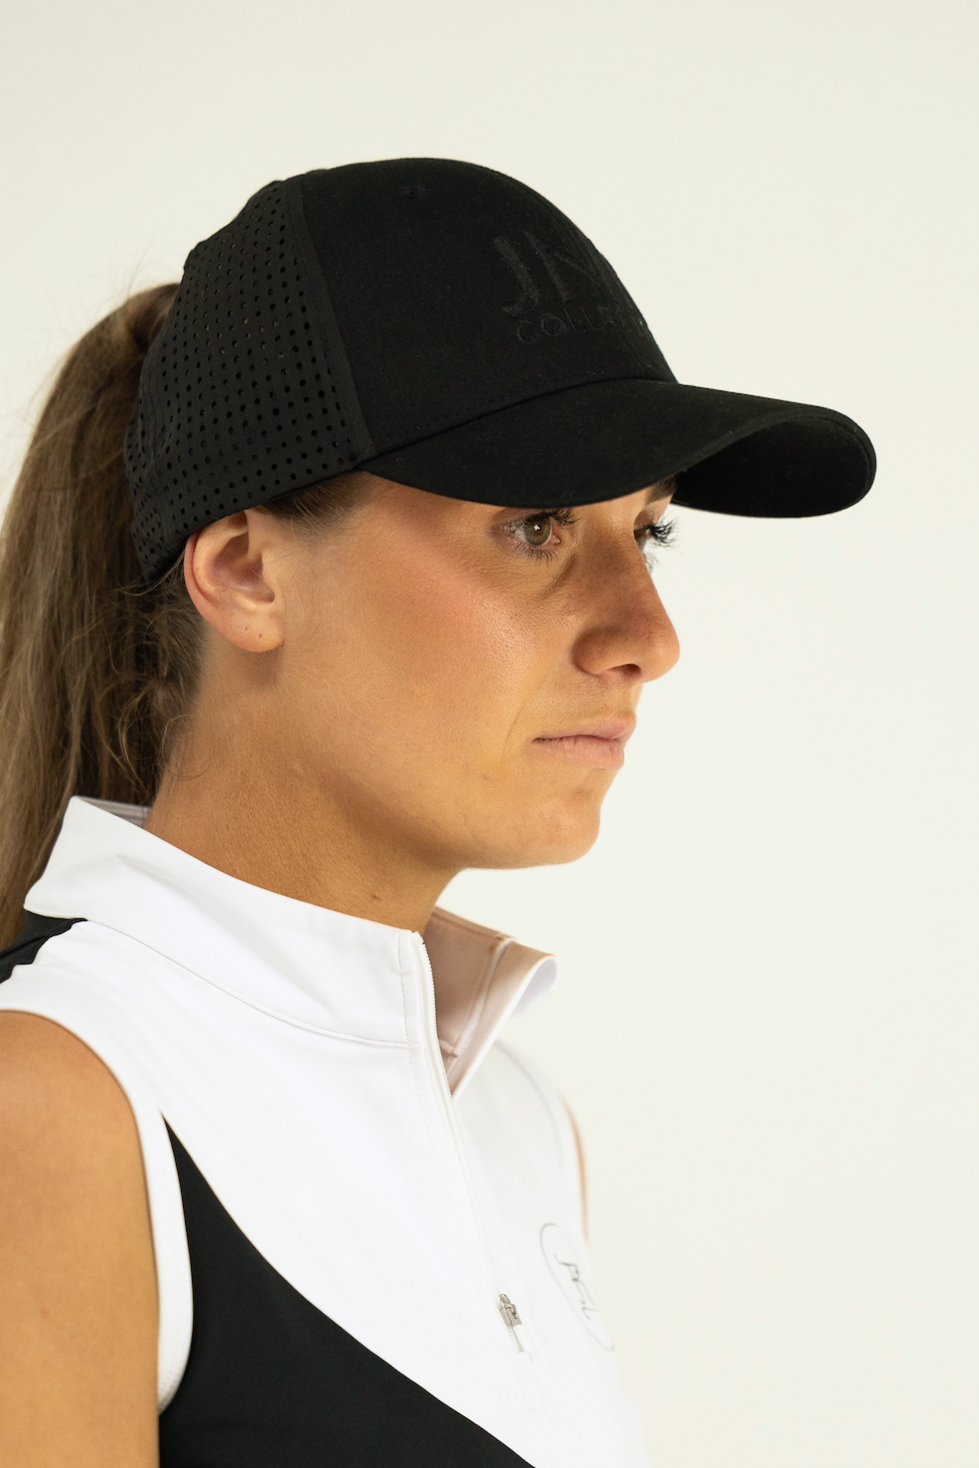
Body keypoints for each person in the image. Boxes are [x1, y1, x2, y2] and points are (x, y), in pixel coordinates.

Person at [0, 158, 875, 1468]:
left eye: (651, 533)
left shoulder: (514, 1120)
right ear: (244, 571)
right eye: (534, 525)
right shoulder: (53, 1102)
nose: (649, 634)